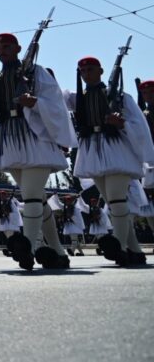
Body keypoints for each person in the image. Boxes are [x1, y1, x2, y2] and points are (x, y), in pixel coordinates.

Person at [0, 26, 75, 270]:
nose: (1, 52)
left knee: (30, 196)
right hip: (9, 139)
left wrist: (35, 102)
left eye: (6, 47)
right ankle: (58, 251)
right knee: (37, 198)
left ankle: (27, 247)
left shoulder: (36, 72)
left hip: (35, 139)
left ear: (18, 49)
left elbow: (55, 103)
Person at [67, 56, 154, 266]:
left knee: (116, 200)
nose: (86, 73)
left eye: (90, 69)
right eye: (83, 70)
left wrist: (121, 123)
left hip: (117, 150)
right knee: (115, 204)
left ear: (101, 71)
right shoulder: (78, 98)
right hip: (93, 152)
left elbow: (139, 126)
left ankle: (120, 247)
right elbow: (52, 97)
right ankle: (134, 250)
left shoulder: (121, 97)